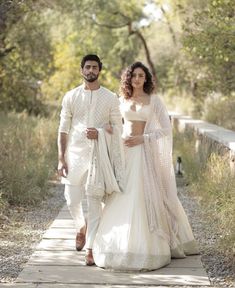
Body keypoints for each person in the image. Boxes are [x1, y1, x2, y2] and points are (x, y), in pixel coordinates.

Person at [93, 61, 199, 271]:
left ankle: (153, 246)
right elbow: (115, 125)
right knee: (121, 193)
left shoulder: (154, 101)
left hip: (143, 153)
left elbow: (166, 130)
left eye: (141, 76)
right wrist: (106, 131)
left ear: (146, 79)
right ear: (128, 78)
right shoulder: (121, 99)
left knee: (142, 194)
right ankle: (118, 245)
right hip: (124, 153)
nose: (137, 79)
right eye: (134, 76)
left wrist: (143, 138)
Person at [57, 54, 123, 266]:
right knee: (71, 198)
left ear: (99, 70)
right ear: (82, 70)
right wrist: (61, 158)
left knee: (94, 200)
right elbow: (63, 129)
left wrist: (102, 133)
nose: (91, 70)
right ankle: (80, 228)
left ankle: (91, 248)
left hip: (98, 155)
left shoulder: (111, 97)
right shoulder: (71, 96)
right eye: (87, 67)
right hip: (74, 154)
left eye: (94, 67)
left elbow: (118, 127)